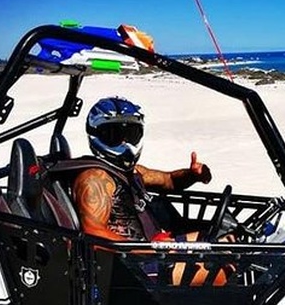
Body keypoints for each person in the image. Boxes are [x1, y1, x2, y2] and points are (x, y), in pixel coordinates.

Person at [73, 96, 212, 241]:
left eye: (131, 134)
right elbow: (93, 233)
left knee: (224, 234)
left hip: (156, 247)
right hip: (136, 259)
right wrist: (150, 249)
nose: (125, 142)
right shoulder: (95, 179)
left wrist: (193, 175)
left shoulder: (131, 172)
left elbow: (169, 180)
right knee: (222, 241)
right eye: (115, 134)